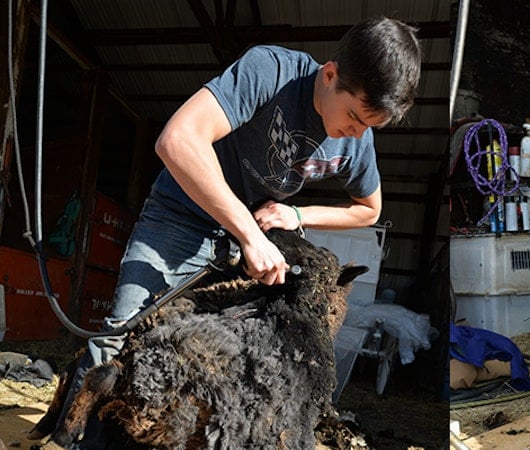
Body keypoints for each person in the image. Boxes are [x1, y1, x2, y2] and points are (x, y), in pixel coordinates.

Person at [54, 16, 422, 449]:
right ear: (330, 74)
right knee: (118, 337)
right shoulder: (272, 71)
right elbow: (177, 140)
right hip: (182, 218)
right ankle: (75, 441)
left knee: (216, 369)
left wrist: (297, 216)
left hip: (242, 246)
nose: (358, 133)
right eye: (356, 117)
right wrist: (250, 232)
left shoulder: (356, 140)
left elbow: (369, 210)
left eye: (370, 127)